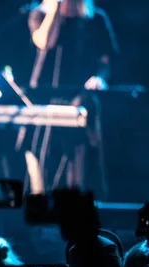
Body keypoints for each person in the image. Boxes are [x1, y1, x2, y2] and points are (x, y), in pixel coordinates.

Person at [25, 0, 118, 196]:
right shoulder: (39, 14)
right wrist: (55, 9)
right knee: (42, 159)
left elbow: (106, 63)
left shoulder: (96, 19)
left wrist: (99, 78)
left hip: (79, 99)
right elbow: (44, 42)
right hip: (44, 100)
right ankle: (40, 209)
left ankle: (77, 207)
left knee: (77, 158)